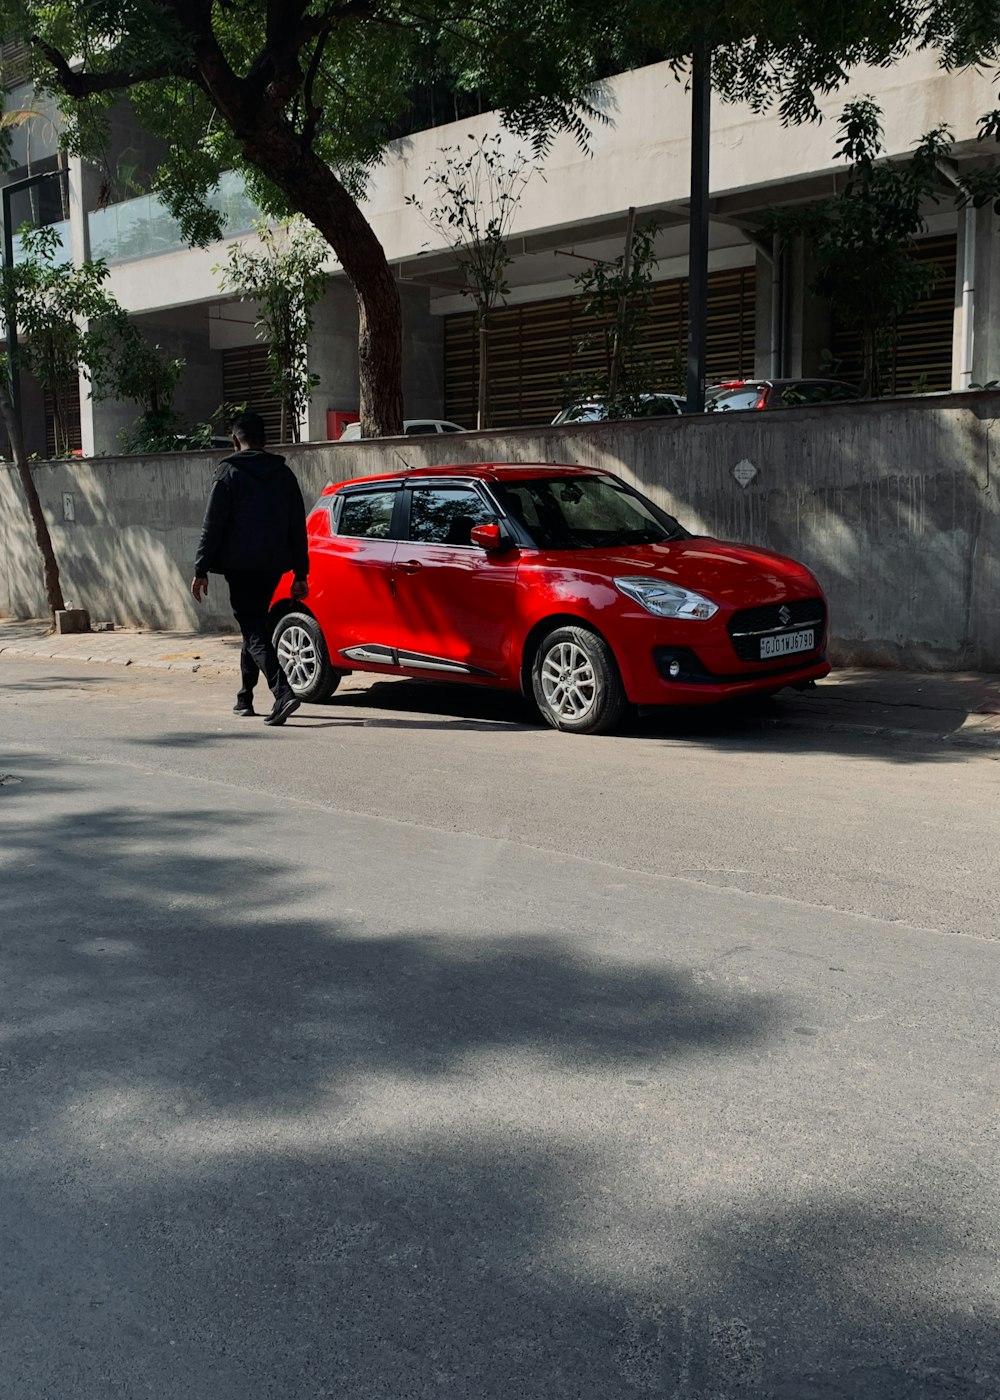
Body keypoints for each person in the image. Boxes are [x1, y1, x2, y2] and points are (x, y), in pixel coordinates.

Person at [191, 411, 309, 726]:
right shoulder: (284, 474)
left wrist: (200, 568)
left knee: (253, 628)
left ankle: (283, 692)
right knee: (253, 624)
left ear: (235, 440)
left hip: (240, 567)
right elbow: (298, 526)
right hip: (272, 565)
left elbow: (211, 526)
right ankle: (245, 696)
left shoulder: (228, 472)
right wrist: (301, 572)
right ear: (265, 440)